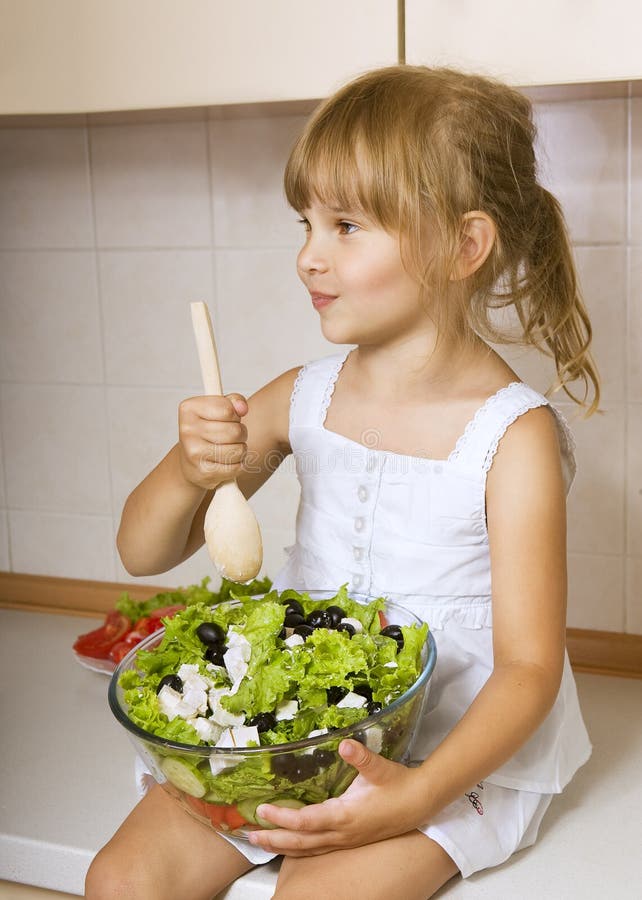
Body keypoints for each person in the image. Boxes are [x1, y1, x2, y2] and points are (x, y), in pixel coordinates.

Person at [85, 65, 600, 900]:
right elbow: (142, 550)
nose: (308, 256)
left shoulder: (513, 438)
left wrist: (415, 796)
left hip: (449, 752)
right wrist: (189, 470)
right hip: (296, 729)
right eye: (307, 223)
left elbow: (530, 669)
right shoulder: (302, 398)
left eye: (347, 225)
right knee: (120, 881)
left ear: (464, 245)